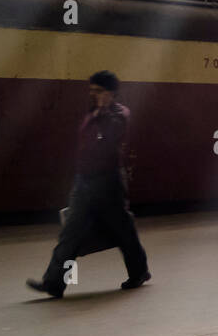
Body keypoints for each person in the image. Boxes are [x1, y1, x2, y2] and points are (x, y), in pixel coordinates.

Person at [28, 71, 150, 298]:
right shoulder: (92, 112)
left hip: (108, 182)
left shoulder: (119, 114)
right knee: (71, 233)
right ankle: (54, 282)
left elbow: (110, 137)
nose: (92, 94)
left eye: (98, 91)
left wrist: (103, 110)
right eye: (91, 90)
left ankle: (140, 271)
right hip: (84, 181)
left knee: (123, 230)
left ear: (111, 93)